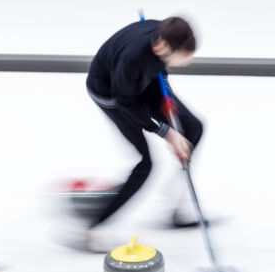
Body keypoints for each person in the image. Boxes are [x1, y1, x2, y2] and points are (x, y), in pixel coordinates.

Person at [71, 17, 204, 251]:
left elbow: (157, 70)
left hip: (142, 81)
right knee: (146, 164)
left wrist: (167, 98)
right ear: (161, 47)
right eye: (185, 56)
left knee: (193, 127)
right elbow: (127, 104)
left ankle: (174, 205)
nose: (189, 60)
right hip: (112, 95)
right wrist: (168, 133)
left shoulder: (164, 33)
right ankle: (89, 229)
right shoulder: (134, 58)